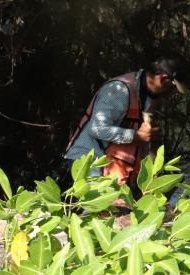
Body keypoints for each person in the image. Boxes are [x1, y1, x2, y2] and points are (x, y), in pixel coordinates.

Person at [62, 57, 182, 189]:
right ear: (163, 79)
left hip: (114, 166)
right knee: (101, 205)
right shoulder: (119, 89)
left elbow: (143, 148)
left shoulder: (148, 97)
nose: (170, 93)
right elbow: (97, 128)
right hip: (87, 159)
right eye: (172, 88)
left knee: (122, 206)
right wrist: (136, 135)